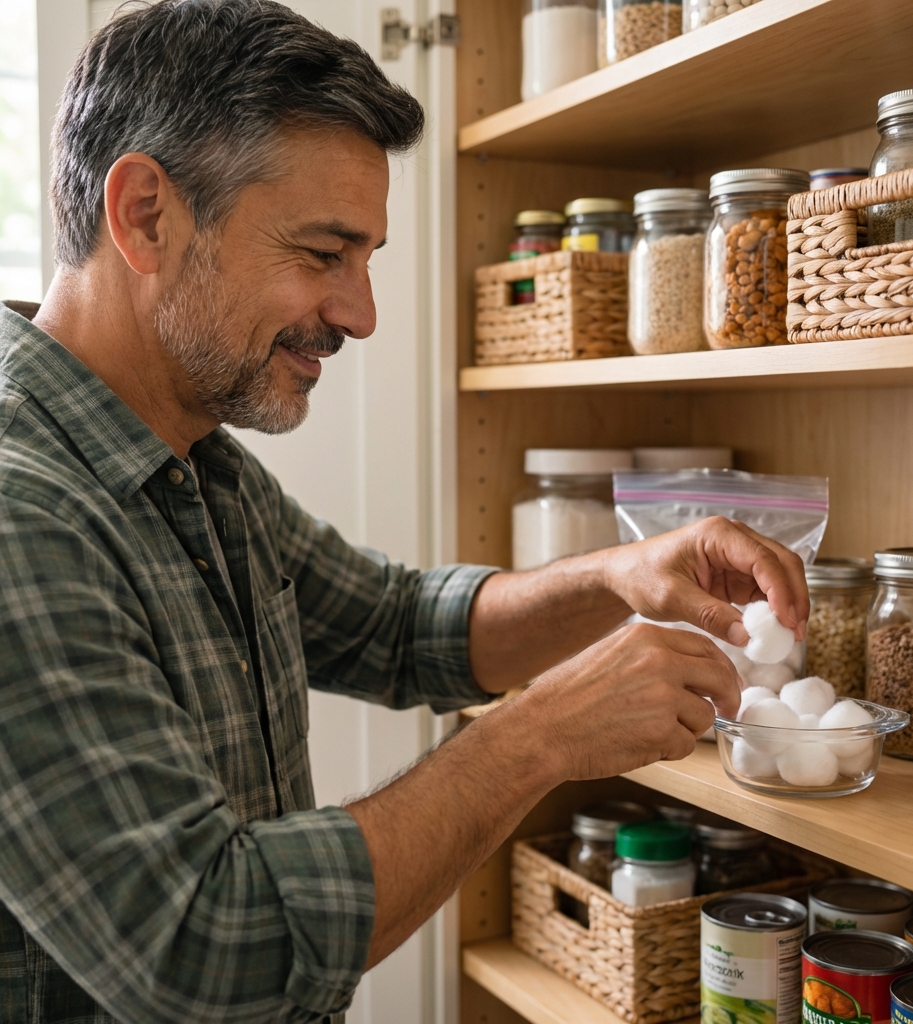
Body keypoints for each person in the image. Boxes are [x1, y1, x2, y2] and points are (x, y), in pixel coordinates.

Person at [0, 2, 809, 1021]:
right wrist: (538, 737)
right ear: (146, 214)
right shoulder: (22, 515)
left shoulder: (194, 463)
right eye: (323, 252)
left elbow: (398, 626)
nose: (361, 312)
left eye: (367, 256)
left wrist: (618, 577)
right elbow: (207, 950)